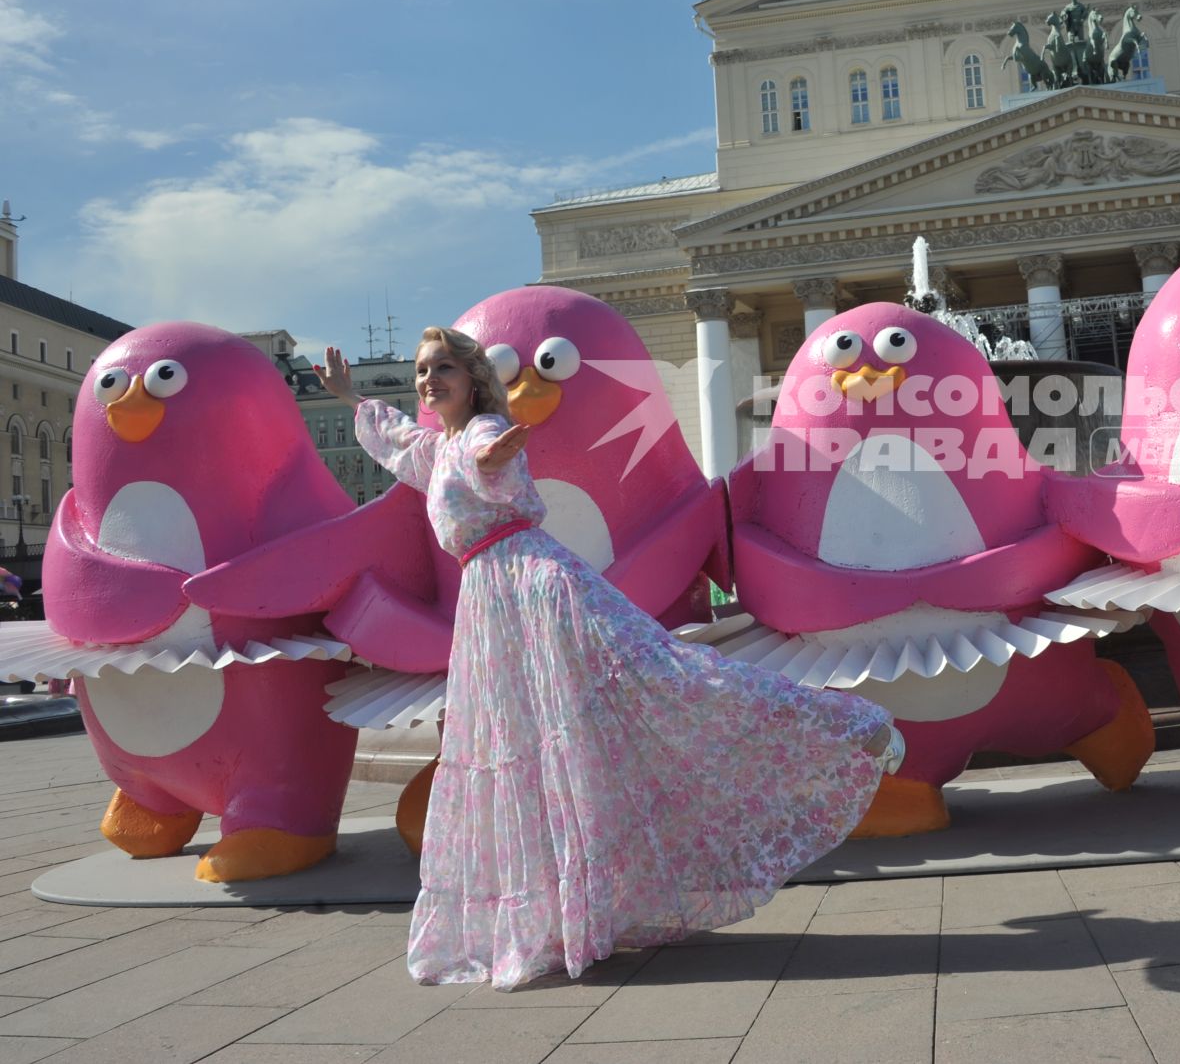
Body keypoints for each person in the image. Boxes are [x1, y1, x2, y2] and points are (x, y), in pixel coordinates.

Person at [317, 329, 904, 990]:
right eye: (423, 371)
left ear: (473, 378)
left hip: (536, 589)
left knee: (669, 681)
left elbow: (492, 451)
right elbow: (399, 439)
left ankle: (849, 727)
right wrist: (348, 395)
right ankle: (571, 914)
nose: (429, 380)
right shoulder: (438, 446)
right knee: (543, 752)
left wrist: (501, 445)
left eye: (443, 368)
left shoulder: (480, 430)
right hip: (494, 603)